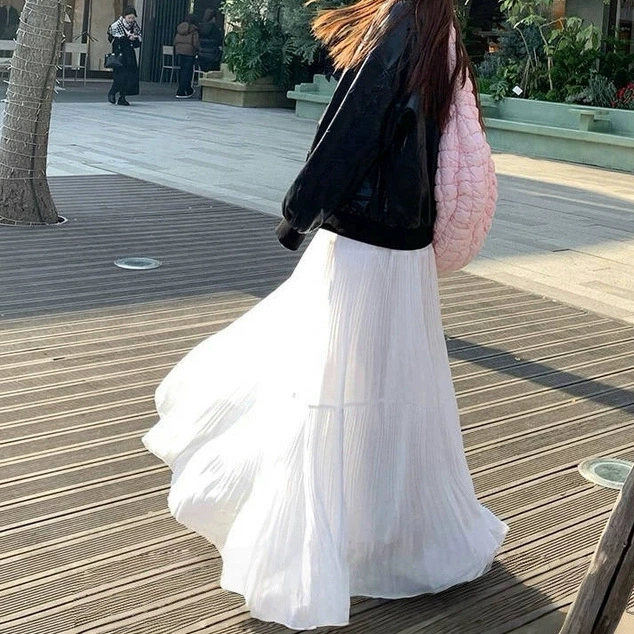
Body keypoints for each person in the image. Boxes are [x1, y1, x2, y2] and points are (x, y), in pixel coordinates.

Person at [142, 0, 508, 629]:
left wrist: (299, 210)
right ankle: (390, 532)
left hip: (365, 238)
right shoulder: (436, 23)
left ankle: (321, 542)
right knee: (388, 387)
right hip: (407, 242)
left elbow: (354, 129)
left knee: (325, 383)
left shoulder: (401, 24)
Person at [107, 7, 142, 106]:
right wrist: (127, 38)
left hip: (130, 55)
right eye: (129, 18)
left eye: (133, 18)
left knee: (129, 76)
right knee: (120, 76)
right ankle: (112, 92)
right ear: (124, 16)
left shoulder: (135, 26)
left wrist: (135, 39)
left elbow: (138, 42)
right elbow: (112, 40)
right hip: (119, 54)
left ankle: (122, 97)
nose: (131, 20)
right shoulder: (116, 25)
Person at [173, 14, 199, 98]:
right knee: (187, 72)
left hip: (179, 52)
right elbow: (196, 43)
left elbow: (175, 41)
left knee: (182, 71)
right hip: (190, 53)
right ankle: (182, 91)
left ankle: (187, 89)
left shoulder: (180, 29)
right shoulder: (194, 31)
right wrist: (198, 50)